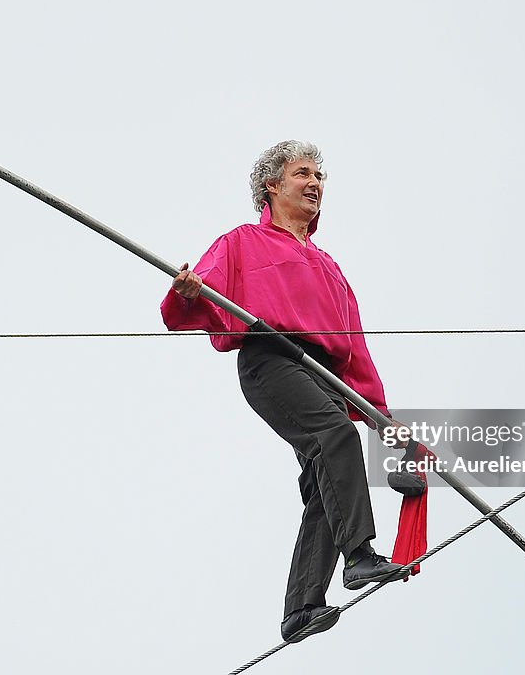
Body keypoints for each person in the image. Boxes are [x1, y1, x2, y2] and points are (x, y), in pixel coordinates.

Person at [161, 140, 407, 643]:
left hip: (324, 374)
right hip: (272, 361)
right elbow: (193, 296)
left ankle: (301, 608)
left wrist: (381, 416)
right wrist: (185, 290)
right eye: (303, 173)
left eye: (320, 176)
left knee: (325, 480)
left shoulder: (332, 269)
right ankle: (359, 554)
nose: (315, 183)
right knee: (334, 435)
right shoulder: (241, 242)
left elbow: (355, 349)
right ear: (272, 186)